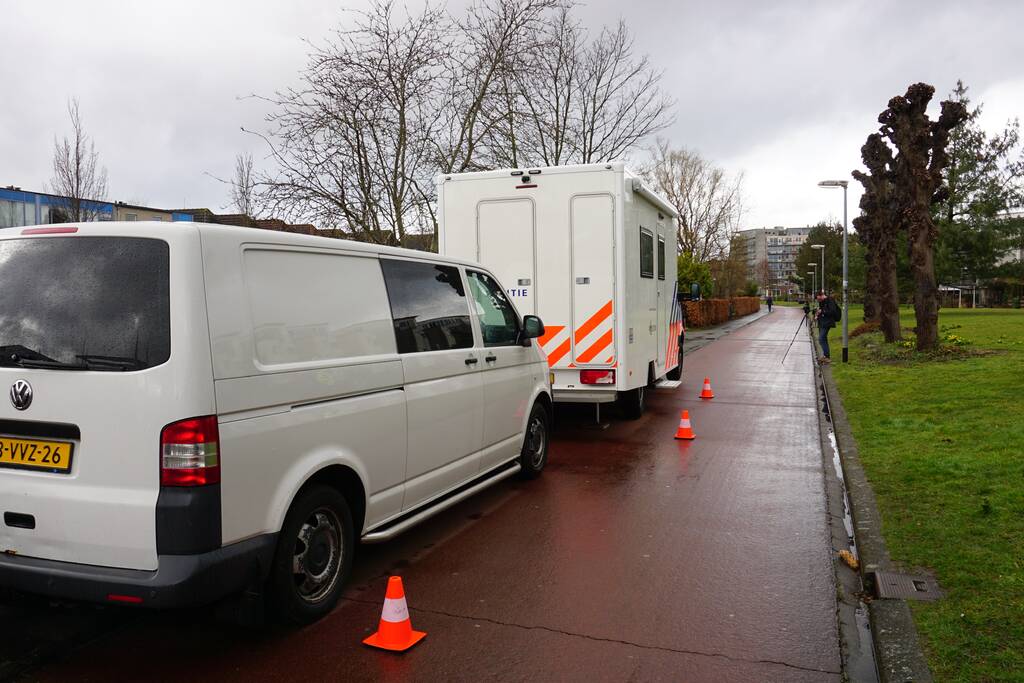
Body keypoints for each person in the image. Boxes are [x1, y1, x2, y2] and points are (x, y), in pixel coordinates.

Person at [814, 291, 841, 363]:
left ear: (822, 295)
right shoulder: (822, 302)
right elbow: (821, 310)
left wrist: (822, 312)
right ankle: (826, 356)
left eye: (819, 299)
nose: (818, 300)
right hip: (822, 322)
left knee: (821, 339)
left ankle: (827, 357)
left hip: (827, 322)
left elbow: (832, 311)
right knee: (823, 339)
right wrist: (817, 315)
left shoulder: (830, 300)